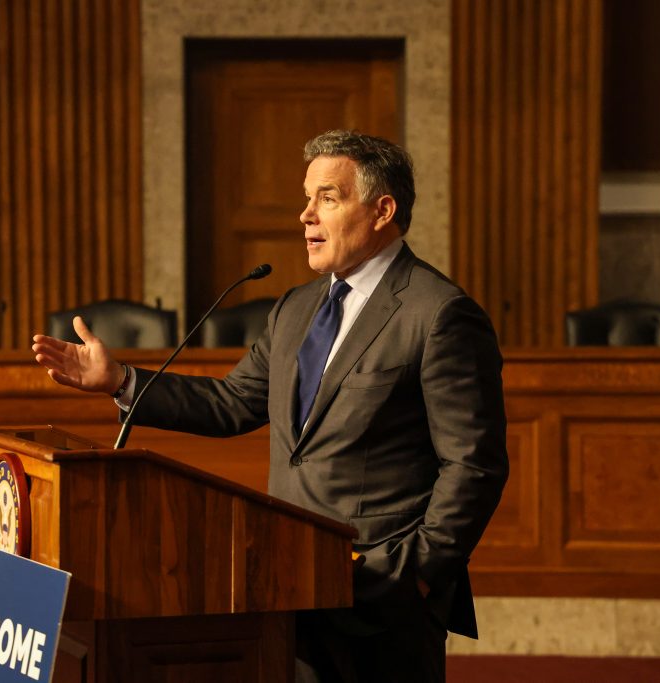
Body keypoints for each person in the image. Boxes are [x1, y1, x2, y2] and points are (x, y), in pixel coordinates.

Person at [32, 130, 508, 682]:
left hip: (384, 597)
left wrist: (418, 573)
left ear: (383, 210)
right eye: (307, 198)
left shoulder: (439, 313)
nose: (306, 215)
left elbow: (474, 464)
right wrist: (120, 380)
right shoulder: (296, 308)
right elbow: (232, 402)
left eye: (327, 198)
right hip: (290, 582)